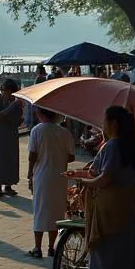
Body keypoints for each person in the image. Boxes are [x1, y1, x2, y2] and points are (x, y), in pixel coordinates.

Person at [70, 106, 135, 269]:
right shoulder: (133, 146)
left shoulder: (112, 146)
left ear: (113, 123)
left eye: (104, 120)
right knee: (126, 258)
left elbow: (105, 178)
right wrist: (81, 174)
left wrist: (83, 181)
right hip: (127, 207)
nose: (101, 124)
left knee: (106, 258)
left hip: (109, 208)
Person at [26, 108, 76, 258]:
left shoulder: (37, 130)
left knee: (40, 210)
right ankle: (51, 247)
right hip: (60, 176)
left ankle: (37, 247)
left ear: (40, 114)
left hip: (41, 176)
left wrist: (30, 172)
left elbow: (32, 155)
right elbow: (71, 157)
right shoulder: (64, 132)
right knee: (56, 211)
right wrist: (58, 157)